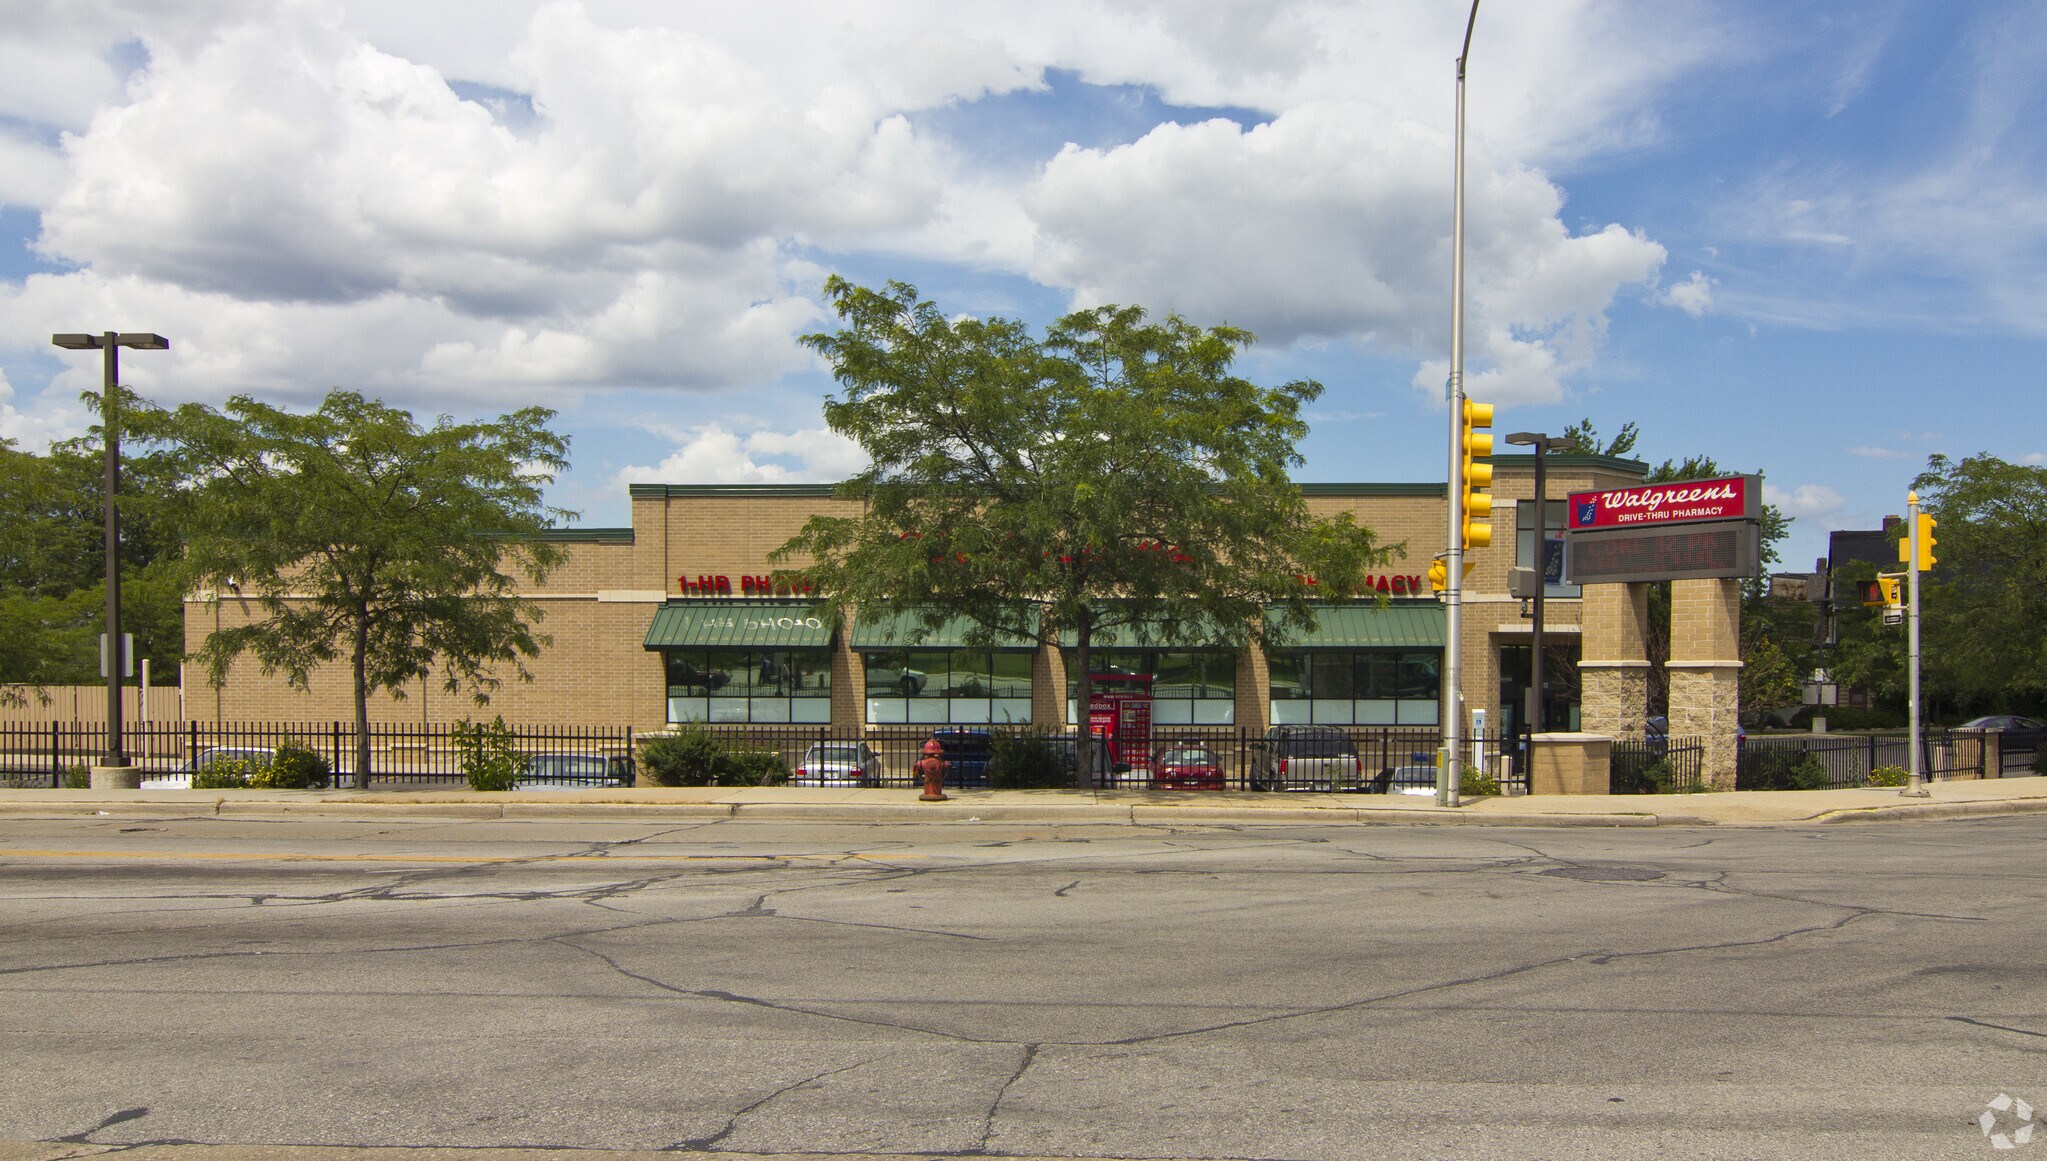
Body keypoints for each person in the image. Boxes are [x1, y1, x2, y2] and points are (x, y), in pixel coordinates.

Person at [915, 737, 948, 802]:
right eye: (927, 756)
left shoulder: (923, 762)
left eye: (936, 755)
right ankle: (936, 793)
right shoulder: (940, 762)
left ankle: (929, 793)